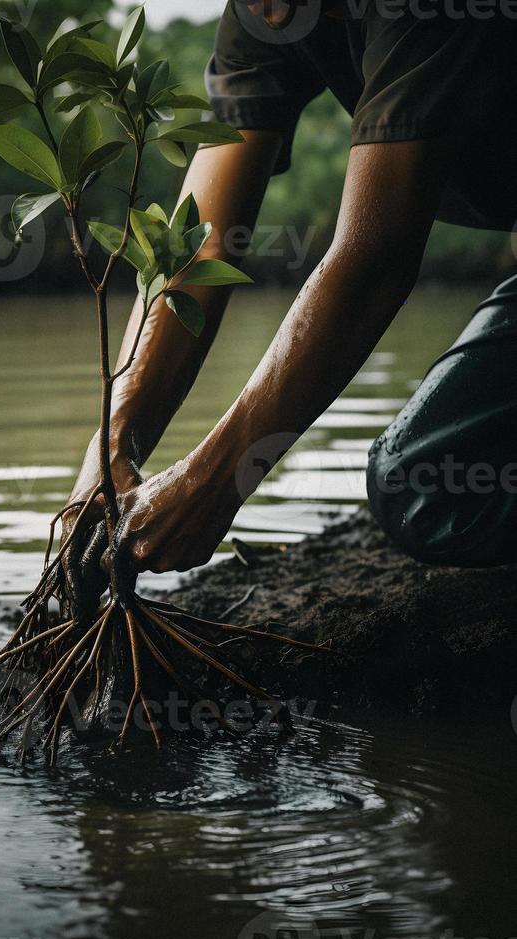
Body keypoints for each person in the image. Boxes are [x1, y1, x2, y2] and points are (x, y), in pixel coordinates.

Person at [63, 0, 517, 598]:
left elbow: (374, 260)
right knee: (430, 487)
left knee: (418, 486)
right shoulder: (263, 13)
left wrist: (217, 477)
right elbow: (198, 250)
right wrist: (112, 440)